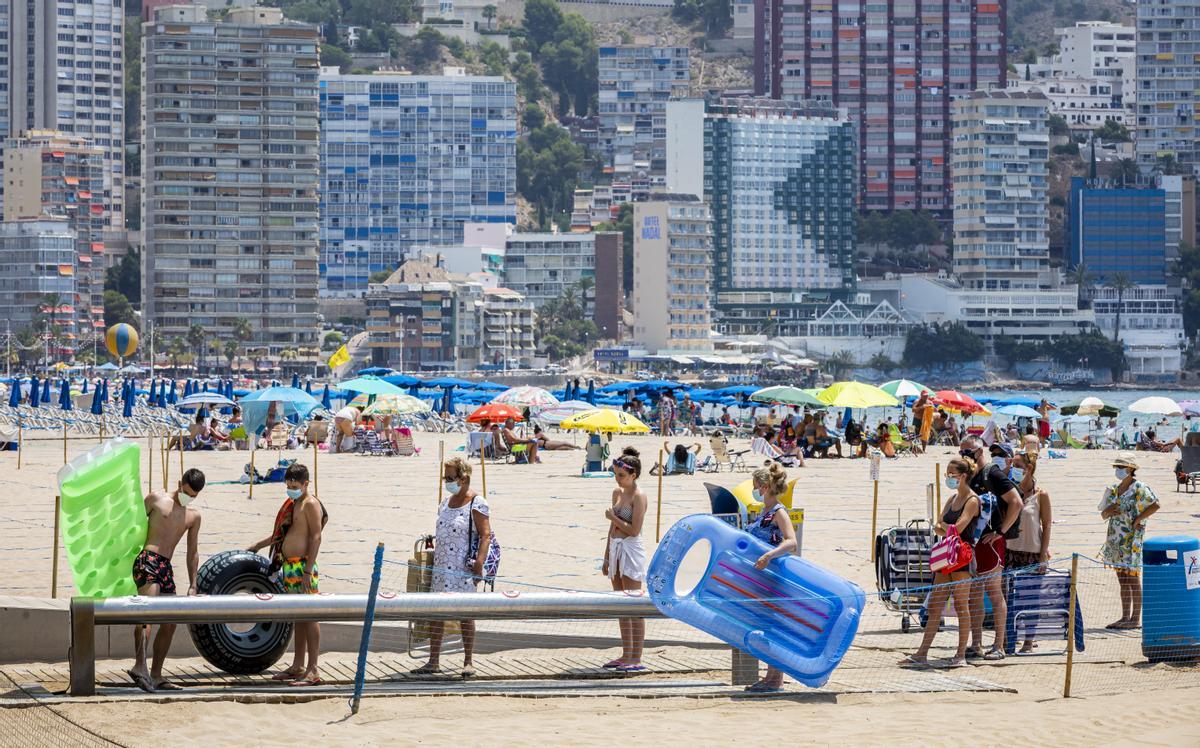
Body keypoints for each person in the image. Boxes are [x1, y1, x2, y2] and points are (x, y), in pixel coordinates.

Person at [413, 457, 493, 678]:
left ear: (464, 478)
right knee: (436, 613)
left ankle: (468, 661)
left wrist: (479, 562)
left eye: (451, 478)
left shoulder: (477, 502)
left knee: (465, 614)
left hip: (463, 567)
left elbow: (485, 534)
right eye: (445, 477)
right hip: (441, 565)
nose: (447, 481)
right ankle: (433, 661)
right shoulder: (445, 503)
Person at [248, 463, 327, 685]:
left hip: (303, 567)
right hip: (290, 566)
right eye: (289, 485)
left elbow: (316, 537)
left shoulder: (310, 504)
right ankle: (297, 665)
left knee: (310, 616)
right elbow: (282, 534)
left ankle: (313, 669)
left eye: (295, 485)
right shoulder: (294, 504)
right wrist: (259, 545)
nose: (291, 488)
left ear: (306, 484)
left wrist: (308, 570)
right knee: (298, 617)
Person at [128, 469, 206, 692]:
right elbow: (131, 526)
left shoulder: (193, 516)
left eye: (193, 495)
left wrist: (193, 583)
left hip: (165, 566)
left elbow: (193, 552)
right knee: (148, 612)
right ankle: (139, 666)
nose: (188, 497)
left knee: (170, 621)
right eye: (186, 492)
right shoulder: (156, 499)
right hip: (147, 559)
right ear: (179, 483)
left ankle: (157, 674)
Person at [900, 457, 980, 668]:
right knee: (935, 605)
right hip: (946, 555)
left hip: (962, 556)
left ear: (962, 476)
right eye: (947, 474)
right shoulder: (953, 499)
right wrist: (946, 527)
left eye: (951, 474)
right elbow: (937, 525)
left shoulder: (972, 500)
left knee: (962, 605)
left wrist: (945, 527)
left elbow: (959, 529)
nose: (948, 478)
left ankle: (960, 654)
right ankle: (922, 653)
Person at [959, 437, 1023, 660]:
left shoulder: (992, 473)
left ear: (978, 451)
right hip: (973, 543)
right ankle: (976, 643)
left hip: (991, 542)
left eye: (967, 451)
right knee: (974, 594)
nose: (963, 455)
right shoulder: (971, 476)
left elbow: (1016, 502)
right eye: (961, 451)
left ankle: (998, 645)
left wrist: (1001, 531)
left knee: (994, 592)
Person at [743, 462, 799, 692]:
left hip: (773, 577)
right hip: (762, 578)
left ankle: (776, 679)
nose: (754, 490)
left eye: (756, 486)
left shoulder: (779, 512)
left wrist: (769, 555)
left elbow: (791, 541)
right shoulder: (765, 512)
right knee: (765, 625)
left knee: (772, 626)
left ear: (764, 487)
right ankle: (770, 676)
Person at [601, 447, 649, 671]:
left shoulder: (639, 495)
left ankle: (635, 656)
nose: (617, 478)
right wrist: (606, 556)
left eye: (621, 475)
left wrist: (613, 517)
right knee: (621, 603)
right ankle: (625, 653)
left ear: (633, 475)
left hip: (631, 548)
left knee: (634, 604)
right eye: (616, 474)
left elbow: (634, 530)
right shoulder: (617, 493)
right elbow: (612, 527)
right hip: (616, 548)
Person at [1099, 456, 1159, 629]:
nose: (1118, 469)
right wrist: (1109, 511)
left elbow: (1155, 504)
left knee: (1133, 579)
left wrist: (1138, 519)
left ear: (1130, 469)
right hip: (1115, 539)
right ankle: (1125, 617)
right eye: (1117, 466)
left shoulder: (1139, 488)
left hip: (1131, 539)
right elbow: (1103, 514)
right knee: (1122, 579)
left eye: (1121, 466)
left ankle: (1135, 619)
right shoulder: (1114, 489)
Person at [1006, 451, 1053, 653]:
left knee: (1031, 598)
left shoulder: (1041, 495)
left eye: (1017, 465)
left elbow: (1047, 524)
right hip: (1010, 551)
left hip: (1032, 552)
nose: (1012, 468)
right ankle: (1011, 637)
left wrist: (1043, 555)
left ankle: (1028, 641)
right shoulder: (1010, 491)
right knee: (1009, 598)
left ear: (1029, 469)